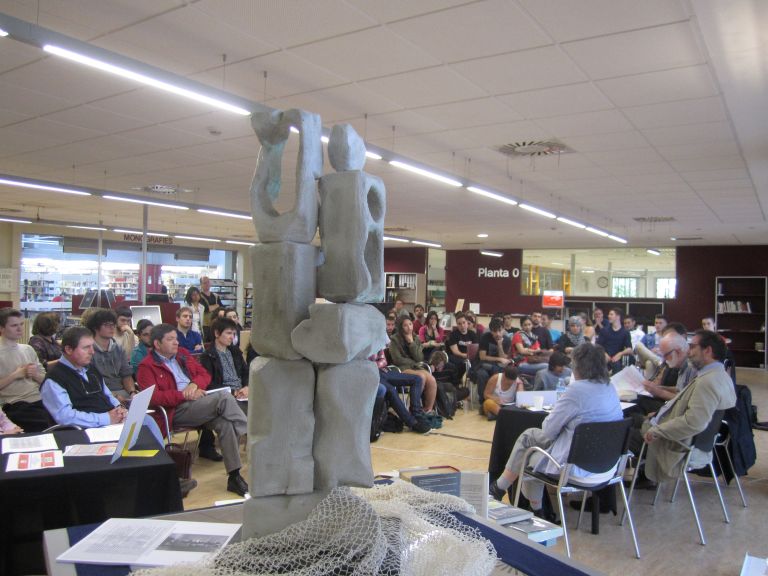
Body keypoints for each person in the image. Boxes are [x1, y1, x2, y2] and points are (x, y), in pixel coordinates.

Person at [489, 343, 623, 513]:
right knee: (529, 438)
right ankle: (502, 490)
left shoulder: (576, 390)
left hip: (577, 467)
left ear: (578, 366)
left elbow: (548, 430)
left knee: (528, 456)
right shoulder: (610, 388)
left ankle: (535, 509)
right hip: (607, 466)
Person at [137, 323, 249, 496]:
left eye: (176, 338)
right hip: (174, 410)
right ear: (157, 344)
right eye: (170, 339)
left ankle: (234, 477)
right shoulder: (147, 366)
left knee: (226, 423)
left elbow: (204, 374)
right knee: (224, 396)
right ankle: (249, 433)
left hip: (198, 402)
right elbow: (153, 398)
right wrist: (184, 395)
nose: (176, 342)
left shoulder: (182, 354)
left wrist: (194, 384)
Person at [638, 330, 737, 483]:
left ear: (707, 350)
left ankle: (628, 479)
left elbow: (693, 422)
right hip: (689, 441)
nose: (688, 352)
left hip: (675, 445)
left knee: (622, 433)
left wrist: (657, 430)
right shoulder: (720, 375)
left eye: (692, 347)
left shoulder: (707, 382)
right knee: (635, 419)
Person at [40, 326, 164, 445]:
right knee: (142, 434)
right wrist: (106, 418)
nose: (92, 352)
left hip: (108, 424)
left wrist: (119, 409)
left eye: (92, 346)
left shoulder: (91, 369)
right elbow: (65, 417)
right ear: (68, 349)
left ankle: (161, 457)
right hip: (85, 431)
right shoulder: (54, 379)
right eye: (86, 348)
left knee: (145, 420)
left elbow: (107, 395)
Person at [0, 309, 52, 432]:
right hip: (15, 404)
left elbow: (45, 381)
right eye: (14, 325)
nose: (20, 329)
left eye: (21, 324)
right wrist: (15, 375)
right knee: (48, 425)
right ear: (2, 328)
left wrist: (35, 375)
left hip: (39, 399)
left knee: (65, 418)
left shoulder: (28, 349)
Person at [371, 349, 430, 434]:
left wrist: (375, 365)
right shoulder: (359, 344)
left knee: (417, 379)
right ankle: (411, 422)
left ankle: (416, 414)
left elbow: (384, 361)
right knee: (391, 390)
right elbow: (361, 363)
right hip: (370, 374)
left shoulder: (376, 343)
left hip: (383, 371)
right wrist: (375, 365)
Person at [86, 309, 139, 401]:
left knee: (143, 409)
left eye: (113, 324)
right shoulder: (88, 350)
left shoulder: (118, 349)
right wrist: (114, 396)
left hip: (122, 392)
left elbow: (126, 375)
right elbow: (90, 381)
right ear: (95, 327)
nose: (112, 328)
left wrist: (132, 392)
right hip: (100, 395)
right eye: (107, 325)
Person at [388, 316, 437, 413]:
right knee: (421, 377)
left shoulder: (416, 338)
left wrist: (411, 343)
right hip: (401, 368)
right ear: (401, 327)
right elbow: (397, 359)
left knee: (431, 379)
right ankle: (414, 409)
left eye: (410, 324)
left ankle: (428, 410)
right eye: (405, 325)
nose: (409, 327)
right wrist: (413, 362)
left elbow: (419, 358)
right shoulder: (394, 340)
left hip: (415, 367)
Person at [474, 318, 512, 402]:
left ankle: (500, 400)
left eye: (500, 330)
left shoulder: (507, 340)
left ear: (503, 329)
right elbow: (482, 357)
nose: (497, 334)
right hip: (483, 364)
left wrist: (500, 345)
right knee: (482, 375)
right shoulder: (485, 337)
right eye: (495, 331)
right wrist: (499, 358)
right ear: (491, 331)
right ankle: (483, 401)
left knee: (502, 374)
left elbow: (504, 358)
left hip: (498, 367)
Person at [596, 308, 632, 374]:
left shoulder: (625, 332)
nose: (609, 316)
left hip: (617, 358)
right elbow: (597, 345)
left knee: (617, 365)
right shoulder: (604, 330)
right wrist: (604, 354)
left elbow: (629, 349)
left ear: (618, 316)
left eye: (611, 314)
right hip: (604, 356)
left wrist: (620, 354)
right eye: (609, 314)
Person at [446, 312, 478, 385]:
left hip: (469, 356)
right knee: (463, 363)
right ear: (457, 325)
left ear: (467, 323)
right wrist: (466, 356)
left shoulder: (472, 334)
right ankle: (457, 383)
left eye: (464, 322)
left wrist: (470, 357)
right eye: (459, 324)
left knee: (476, 364)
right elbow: (455, 352)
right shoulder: (453, 334)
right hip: (456, 356)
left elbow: (475, 349)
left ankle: (472, 383)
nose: (462, 325)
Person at [199, 276, 222, 342]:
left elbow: (221, 307)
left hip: (216, 324)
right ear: (201, 284)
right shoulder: (199, 297)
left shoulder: (215, 296)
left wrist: (211, 307)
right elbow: (206, 309)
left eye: (208, 282)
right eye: (204, 283)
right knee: (206, 343)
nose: (207, 284)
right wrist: (216, 306)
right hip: (205, 326)